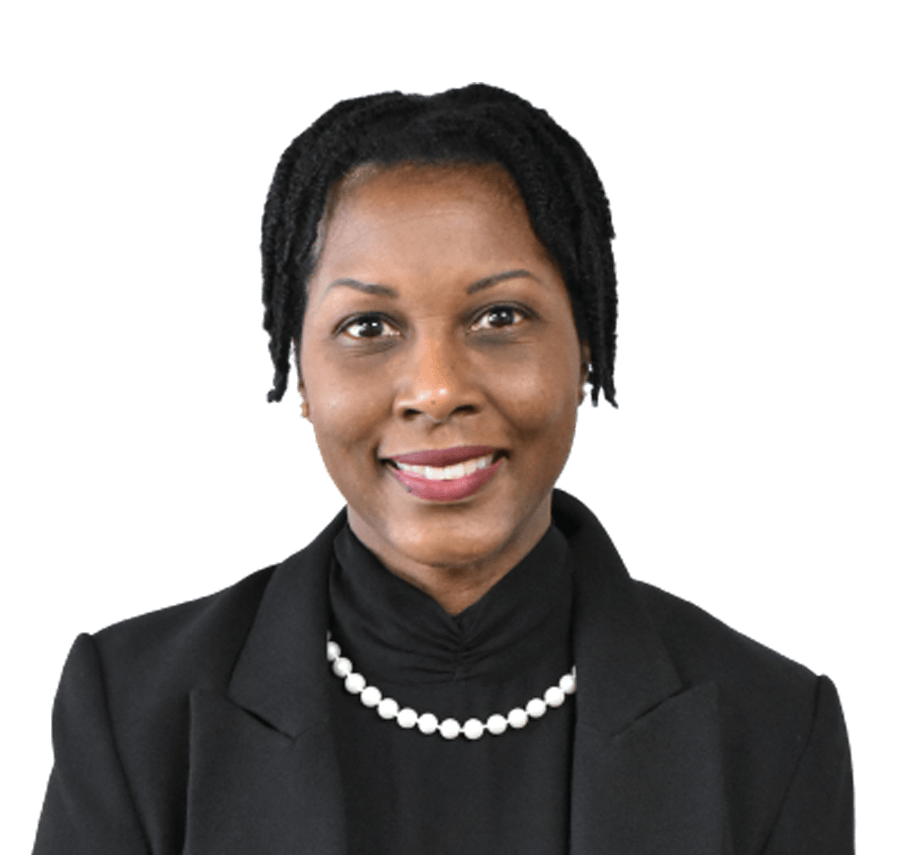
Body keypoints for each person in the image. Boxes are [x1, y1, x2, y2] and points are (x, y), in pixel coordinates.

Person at [32, 83, 855, 854]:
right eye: (369, 326)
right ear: (299, 374)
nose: (437, 390)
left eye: (500, 316)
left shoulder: (773, 723)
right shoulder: (132, 709)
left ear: (586, 349)